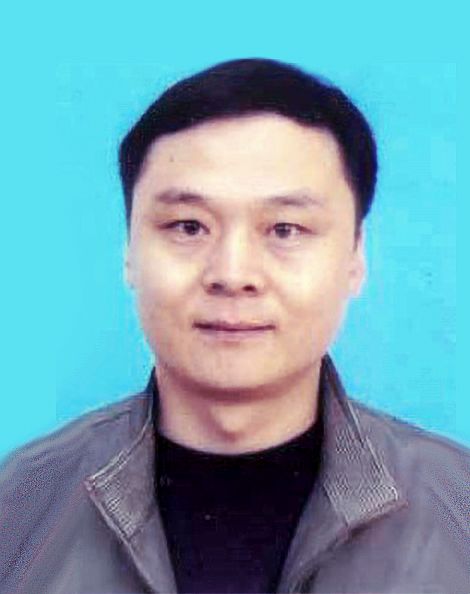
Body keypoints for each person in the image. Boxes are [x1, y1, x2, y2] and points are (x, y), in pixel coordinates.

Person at [0, 58, 467, 594]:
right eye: (188, 226)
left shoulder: (458, 508)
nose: (232, 274)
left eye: (285, 229)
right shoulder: (18, 509)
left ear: (356, 256)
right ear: (130, 250)